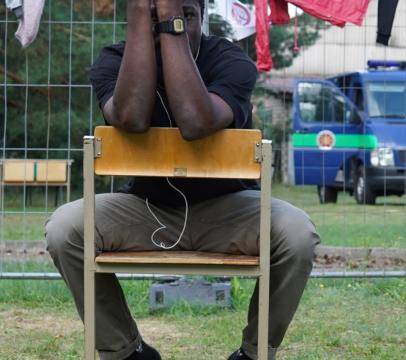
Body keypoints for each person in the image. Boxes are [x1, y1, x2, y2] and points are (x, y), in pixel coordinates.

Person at [45, 1, 320, 359]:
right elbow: (129, 117)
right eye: (157, 17)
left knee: (298, 235)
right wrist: (141, 16)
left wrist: (169, 22)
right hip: (148, 210)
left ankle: (254, 352)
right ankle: (126, 352)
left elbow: (195, 121)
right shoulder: (114, 60)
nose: (172, 24)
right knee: (65, 229)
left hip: (229, 210)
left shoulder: (230, 61)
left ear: (203, 17)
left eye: (187, 15)